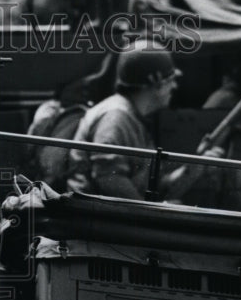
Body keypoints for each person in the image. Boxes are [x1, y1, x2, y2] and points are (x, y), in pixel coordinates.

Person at [67, 40, 225, 201]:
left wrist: (196, 165)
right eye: (171, 80)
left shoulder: (131, 116)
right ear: (157, 82)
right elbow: (109, 180)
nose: (174, 87)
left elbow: (158, 186)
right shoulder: (116, 119)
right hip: (97, 221)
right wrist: (154, 213)